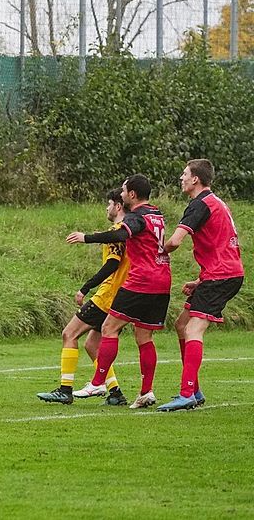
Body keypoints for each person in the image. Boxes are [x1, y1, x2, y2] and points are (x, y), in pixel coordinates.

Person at [66, 174, 171, 409]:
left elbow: (121, 234)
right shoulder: (157, 214)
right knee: (144, 337)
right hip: (162, 280)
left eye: (123, 191)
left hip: (141, 280)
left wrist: (87, 238)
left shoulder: (137, 217)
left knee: (108, 328)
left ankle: (97, 382)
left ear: (132, 195)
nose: (121, 195)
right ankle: (146, 392)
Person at [157, 159, 244, 412]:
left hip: (221, 275)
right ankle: (193, 390)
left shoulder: (199, 205)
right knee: (182, 324)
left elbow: (174, 241)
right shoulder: (216, 202)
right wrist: (200, 280)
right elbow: (222, 244)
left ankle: (186, 394)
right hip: (221, 273)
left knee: (194, 328)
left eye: (184, 174)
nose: (181, 178)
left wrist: (156, 248)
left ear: (195, 179)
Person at [37, 189, 130, 406]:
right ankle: (115, 392)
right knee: (92, 345)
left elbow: (112, 263)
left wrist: (85, 287)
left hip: (106, 296)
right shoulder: (125, 231)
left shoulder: (117, 230)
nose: (106, 208)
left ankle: (65, 389)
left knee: (69, 333)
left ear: (118, 206)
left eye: (109, 204)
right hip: (120, 296)